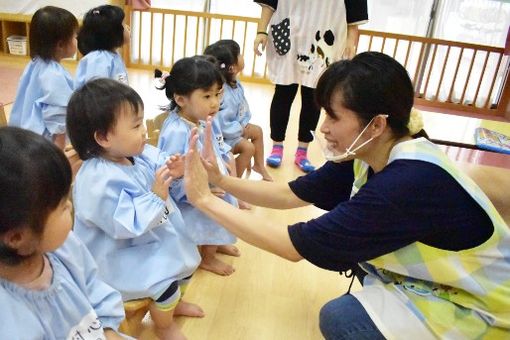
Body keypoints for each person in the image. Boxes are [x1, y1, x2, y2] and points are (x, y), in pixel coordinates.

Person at [183, 52, 510, 339]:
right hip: (435, 285)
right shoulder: (369, 156)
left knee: (343, 320)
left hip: (479, 309)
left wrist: (205, 200)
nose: (323, 128)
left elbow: (292, 246)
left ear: (376, 125)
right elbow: (288, 193)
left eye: (333, 116)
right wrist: (220, 181)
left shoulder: (405, 185)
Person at [67, 78, 203, 340]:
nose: (144, 132)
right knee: (164, 282)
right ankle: (163, 324)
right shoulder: (97, 179)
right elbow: (124, 224)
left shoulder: (136, 153)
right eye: (137, 125)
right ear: (104, 137)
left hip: (154, 235)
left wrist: (173, 168)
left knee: (188, 260)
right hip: (120, 256)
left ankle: (172, 306)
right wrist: (155, 197)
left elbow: (158, 160)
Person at [0, 126, 125, 339]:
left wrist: (109, 329)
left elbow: (94, 287)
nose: (69, 205)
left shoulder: (65, 246)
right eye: (60, 207)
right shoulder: (9, 319)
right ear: (16, 237)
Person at [253, 0, 368, 172]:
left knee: (313, 98)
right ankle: (277, 145)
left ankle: (302, 150)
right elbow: (268, 2)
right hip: (289, 30)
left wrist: (351, 40)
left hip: (324, 37)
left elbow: (355, 8)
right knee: (283, 93)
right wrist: (261, 30)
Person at [156, 56, 240, 276]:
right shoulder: (178, 131)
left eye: (217, 94)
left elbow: (215, 147)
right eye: (207, 96)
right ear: (181, 99)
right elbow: (173, 173)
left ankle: (217, 241)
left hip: (210, 181)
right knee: (214, 214)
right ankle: (207, 257)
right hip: (189, 197)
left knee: (223, 212)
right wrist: (204, 189)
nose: (215, 102)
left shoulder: (199, 118)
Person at [8, 6, 78, 149]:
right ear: (60, 44)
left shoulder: (34, 64)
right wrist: (59, 153)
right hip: (40, 145)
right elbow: (58, 118)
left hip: (20, 135)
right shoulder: (54, 74)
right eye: (75, 36)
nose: (77, 40)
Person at [204, 39, 273, 181]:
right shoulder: (223, 94)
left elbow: (241, 107)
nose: (242, 57)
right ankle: (234, 182)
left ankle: (259, 166)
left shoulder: (235, 82)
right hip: (225, 137)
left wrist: (244, 124)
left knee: (258, 131)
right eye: (239, 54)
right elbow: (221, 124)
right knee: (248, 148)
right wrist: (241, 129)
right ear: (232, 67)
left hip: (237, 127)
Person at [74, 5, 130, 89]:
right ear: (112, 33)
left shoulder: (113, 55)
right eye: (124, 24)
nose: (128, 27)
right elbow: (97, 91)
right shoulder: (99, 59)